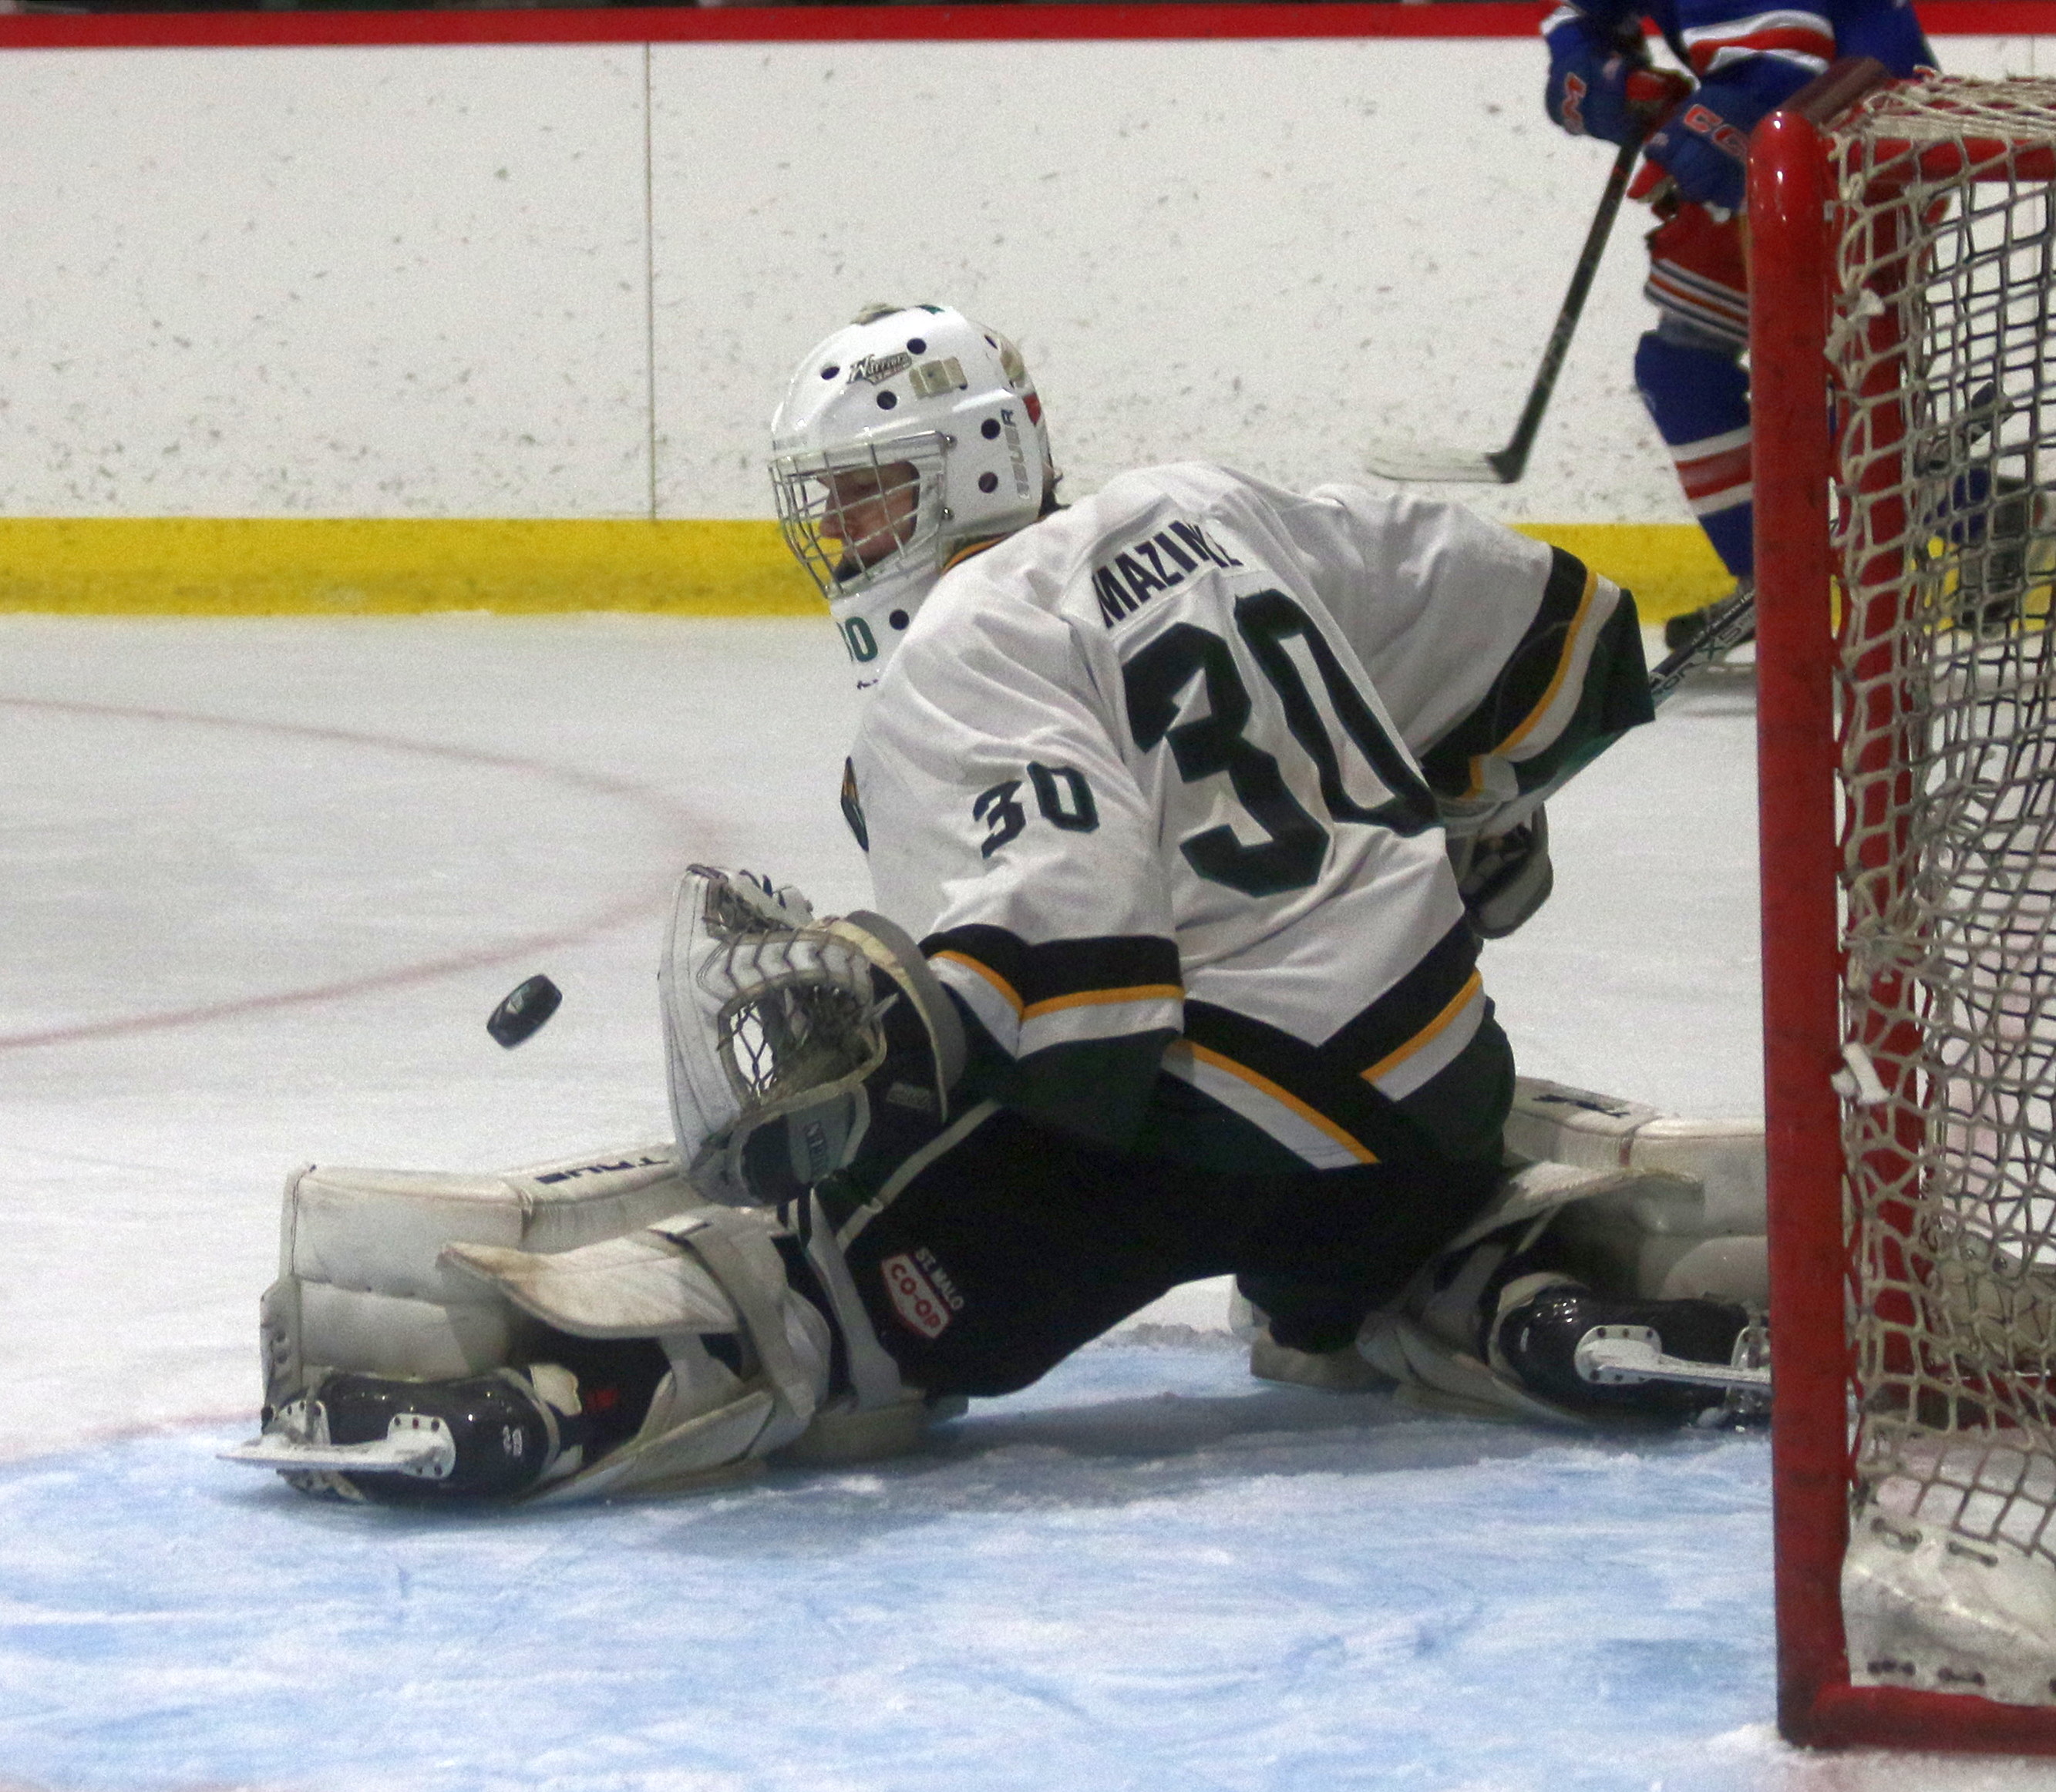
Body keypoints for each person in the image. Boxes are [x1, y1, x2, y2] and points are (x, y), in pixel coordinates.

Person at [228, 306, 1765, 1508]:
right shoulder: (1215, 503)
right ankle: (1500, 1287)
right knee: (1325, 1291)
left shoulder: (959, 648)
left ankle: (567, 1394)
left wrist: (893, 1060)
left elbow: (1079, 982)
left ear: (975, 460)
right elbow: (1541, 627)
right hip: (1436, 1080)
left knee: (837, 1294)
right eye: (828, 507)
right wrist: (1480, 805)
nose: (845, 538)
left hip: (1214, 1124)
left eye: (870, 494)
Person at [1540, 0, 1936, 650]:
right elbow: (1574, 17)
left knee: (1808, 383)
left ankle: (1980, 511)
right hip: (1781, 143)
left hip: (1872, 143)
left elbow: (1776, 73)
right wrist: (1598, 72)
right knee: (1681, 369)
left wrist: (1691, 136)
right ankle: (1770, 585)